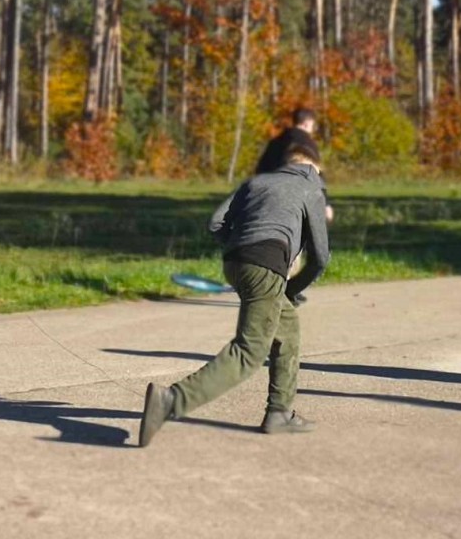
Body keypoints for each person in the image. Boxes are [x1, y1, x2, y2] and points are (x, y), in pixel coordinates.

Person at [139, 145, 330, 447]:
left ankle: (279, 413)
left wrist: (242, 246)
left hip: (235, 261)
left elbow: (216, 222)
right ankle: (172, 400)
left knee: (287, 329)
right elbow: (320, 257)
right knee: (248, 351)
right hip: (266, 264)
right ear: (314, 168)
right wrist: (292, 288)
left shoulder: (255, 182)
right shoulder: (311, 187)